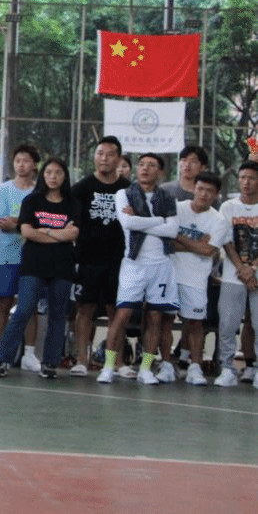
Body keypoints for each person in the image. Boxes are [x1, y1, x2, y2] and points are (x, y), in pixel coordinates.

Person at [0, 158, 78, 380]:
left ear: (65, 176)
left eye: (58, 173)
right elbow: (27, 231)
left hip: (62, 267)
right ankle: (2, 359)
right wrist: (57, 234)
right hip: (33, 265)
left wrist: (44, 231)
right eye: (49, 172)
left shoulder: (72, 203)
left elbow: (73, 233)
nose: (53, 177)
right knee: (23, 309)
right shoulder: (32, 200)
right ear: (42, 175)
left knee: (58, 314)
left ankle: (50, 363)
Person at [95, 153, 179, 385]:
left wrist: (143, 222)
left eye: (151, 165)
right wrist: (160, 221)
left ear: (160, 172)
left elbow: (173, 231)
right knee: (122, 314)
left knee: (155, 317)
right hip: (134, 264)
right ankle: (109, 366)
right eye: (142, 164)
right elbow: (128, 223)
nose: (145, 169)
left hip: (161, 265)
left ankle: (145, 368)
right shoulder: (124, 194)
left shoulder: (167, 197)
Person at [68, 136, 129, 375]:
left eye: (110, 154)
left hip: (118, 260)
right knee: (85, 310)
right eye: (100, 153)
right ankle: (82, 359)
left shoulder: (128, 189)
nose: (104, 158)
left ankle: (117, 362)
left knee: (117, 311)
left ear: (119, 159)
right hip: (87, 259)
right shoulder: (81, 188)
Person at [169, 171, 227, 386]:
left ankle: (195, 367)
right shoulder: (176, 209)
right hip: (169, 274)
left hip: (196, 279)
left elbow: (208, 251)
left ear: (216, 195)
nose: (203, 194)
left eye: (209, 191)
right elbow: (166, 243)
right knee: (161, 320)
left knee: (195, 323)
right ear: (193, 188)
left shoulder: (219, 220)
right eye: (200, 189)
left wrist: (179, 236)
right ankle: (164, 364)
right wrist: (197, 244)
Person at [0, 144, 41, 371]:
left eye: (26, 160)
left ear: (34, 165)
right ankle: (2, 352)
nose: (21, 165)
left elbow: (41, 222)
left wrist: (18, 222)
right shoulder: (3, 189)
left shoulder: (39, 192)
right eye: (18, 160)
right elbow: (2, 222)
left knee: (30, 306)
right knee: (4, 303)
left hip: (33, 257)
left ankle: (29, 354)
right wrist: (27, 224)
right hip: (7, 256)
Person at [216, 159, 258, 388]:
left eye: (251, 178)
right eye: (242, 178)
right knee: (228, 324)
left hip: (255, 273)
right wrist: (242, 268)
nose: (246, 182)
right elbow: (226, 241)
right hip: (234, 275)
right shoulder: (228, 207)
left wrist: (252, 268)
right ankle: (227, 368)